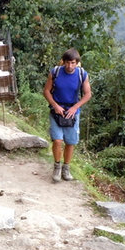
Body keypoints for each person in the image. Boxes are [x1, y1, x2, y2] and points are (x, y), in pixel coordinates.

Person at [42, 48, 92, 182]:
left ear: (77, 63)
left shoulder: (82, 74)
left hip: (72, 112)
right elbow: (46, 91)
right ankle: (57, 167)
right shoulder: (55, 72)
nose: (70, 66)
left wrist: (75, 107)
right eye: (68, 63)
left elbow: (88, 94)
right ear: (63, 62)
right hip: (57, 110)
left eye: (73, 63)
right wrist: (55, 105)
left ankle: (66, 168)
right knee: (57, 140)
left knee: (70, 142)